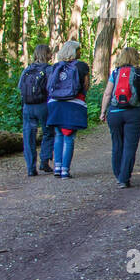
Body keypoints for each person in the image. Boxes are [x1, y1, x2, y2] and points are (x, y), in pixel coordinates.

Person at [99, 46, 140, 188]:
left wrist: (103, 111)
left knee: (117, 144)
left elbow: (107, 93)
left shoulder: (115, 73)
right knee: (130, 146)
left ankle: (118, 174)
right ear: (136, 57)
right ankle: (124, 178)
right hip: (135, 113)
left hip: (115, 113)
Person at [44, 40, 90, 179]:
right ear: (74, 52)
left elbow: (49, 86)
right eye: (79, 50)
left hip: (55, 104)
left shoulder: (55, 66)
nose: (80, 52)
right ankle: (65, 170)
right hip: (73, 104)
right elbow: (86, 85)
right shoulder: (81, 66)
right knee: (69, 138)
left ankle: (57, 168)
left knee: (58, 135)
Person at [17, 43, 54, 176]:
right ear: (47, 54)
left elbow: (20, 87)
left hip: (27, 106)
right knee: (48, 132)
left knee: (28, 137)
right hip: (43, 105)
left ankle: (30, 168)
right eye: (50, 53)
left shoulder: (27, 69)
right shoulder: (49, 69)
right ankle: (44, 160)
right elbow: (51, 88)